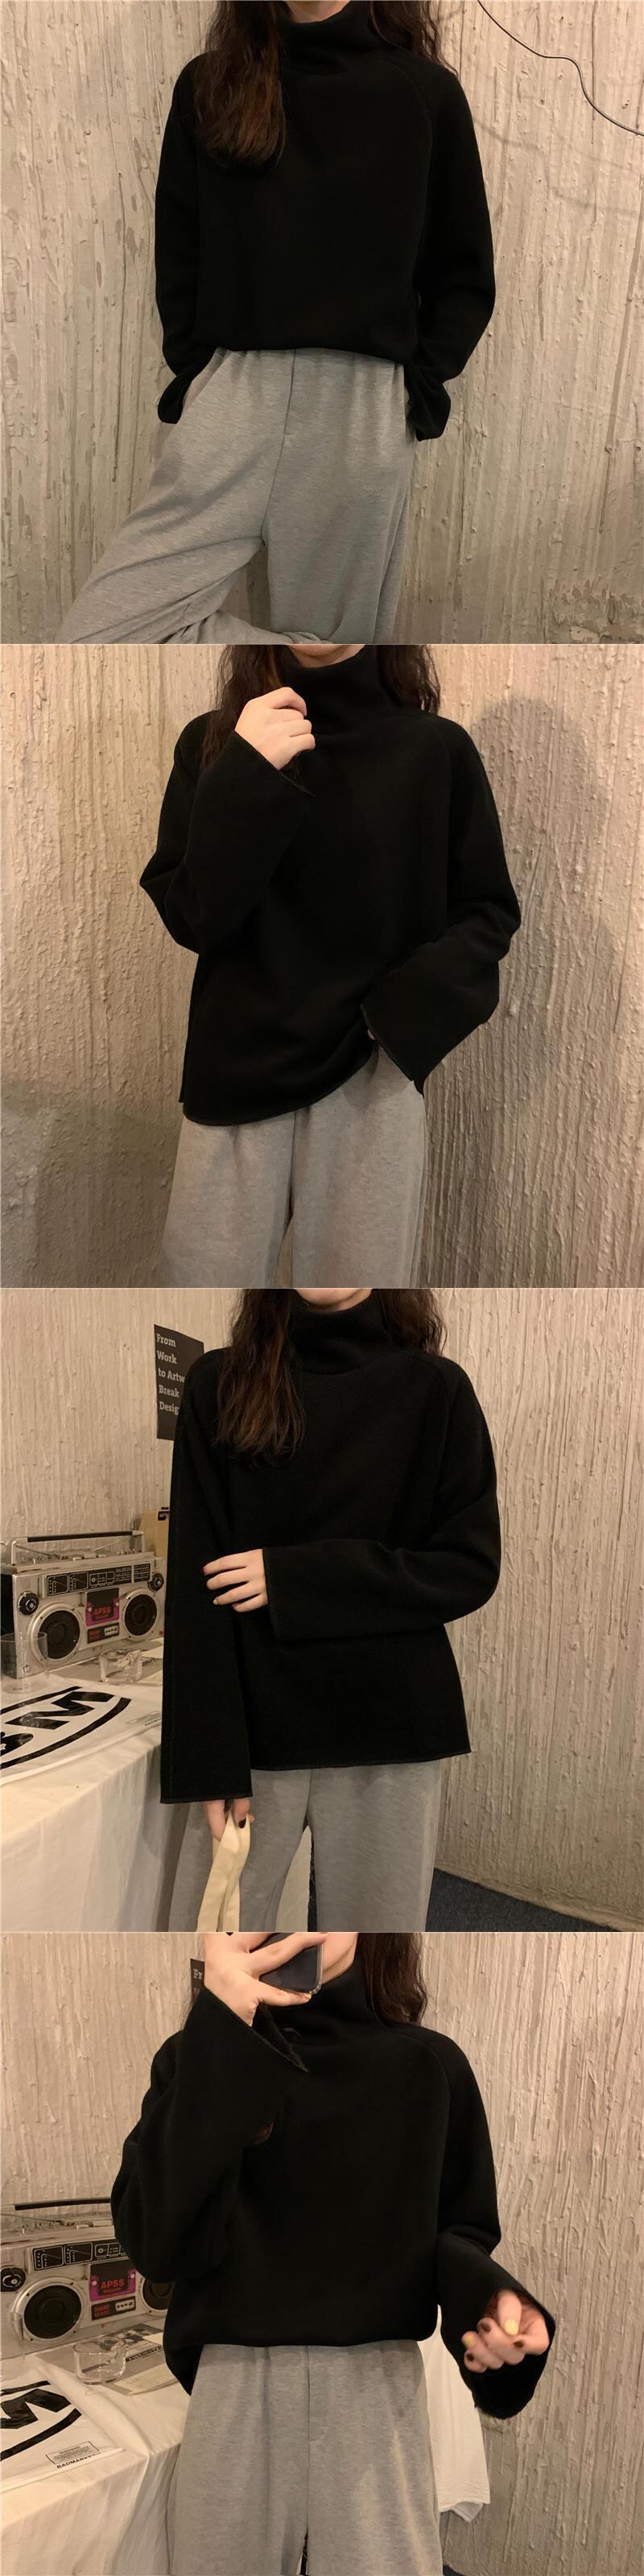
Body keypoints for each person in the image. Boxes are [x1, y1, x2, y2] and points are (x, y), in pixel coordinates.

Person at [112, 1930, 554, 2576]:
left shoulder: (428, 2067)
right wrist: (221, 2035)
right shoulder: (193, 2058)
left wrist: (491, 2305)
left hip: (374, 2391)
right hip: (233, 2387)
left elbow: (454, 2234)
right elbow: (156, 2242)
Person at [59, 0, 495, 645]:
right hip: (233, 397)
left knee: (334, 648)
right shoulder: (212, 84)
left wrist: (414, 395)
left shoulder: (424, 94)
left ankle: (327, 677)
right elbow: (180, 252)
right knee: (104, 634)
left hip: (358, 409)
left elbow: (463, 271)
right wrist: (198, 375)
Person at [141, 642, 520, 1286]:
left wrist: (399, 1015)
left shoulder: (433, 751)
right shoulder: (215, 743)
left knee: (361, 1294)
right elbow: (193, 918)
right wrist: (246, 774)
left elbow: (488, 911)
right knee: (200, 1294)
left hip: (370, 1074)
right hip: (235, 1068)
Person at [162, 1286, 502, 1930]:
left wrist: (295, 1577)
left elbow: (468, 1568)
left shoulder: (436, 1391)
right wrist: (207, 1760)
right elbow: (195, 1591)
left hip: (391, 1729)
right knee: (212, 1941)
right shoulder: (220, 1383)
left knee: (375, 1948)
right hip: (253, 1729)